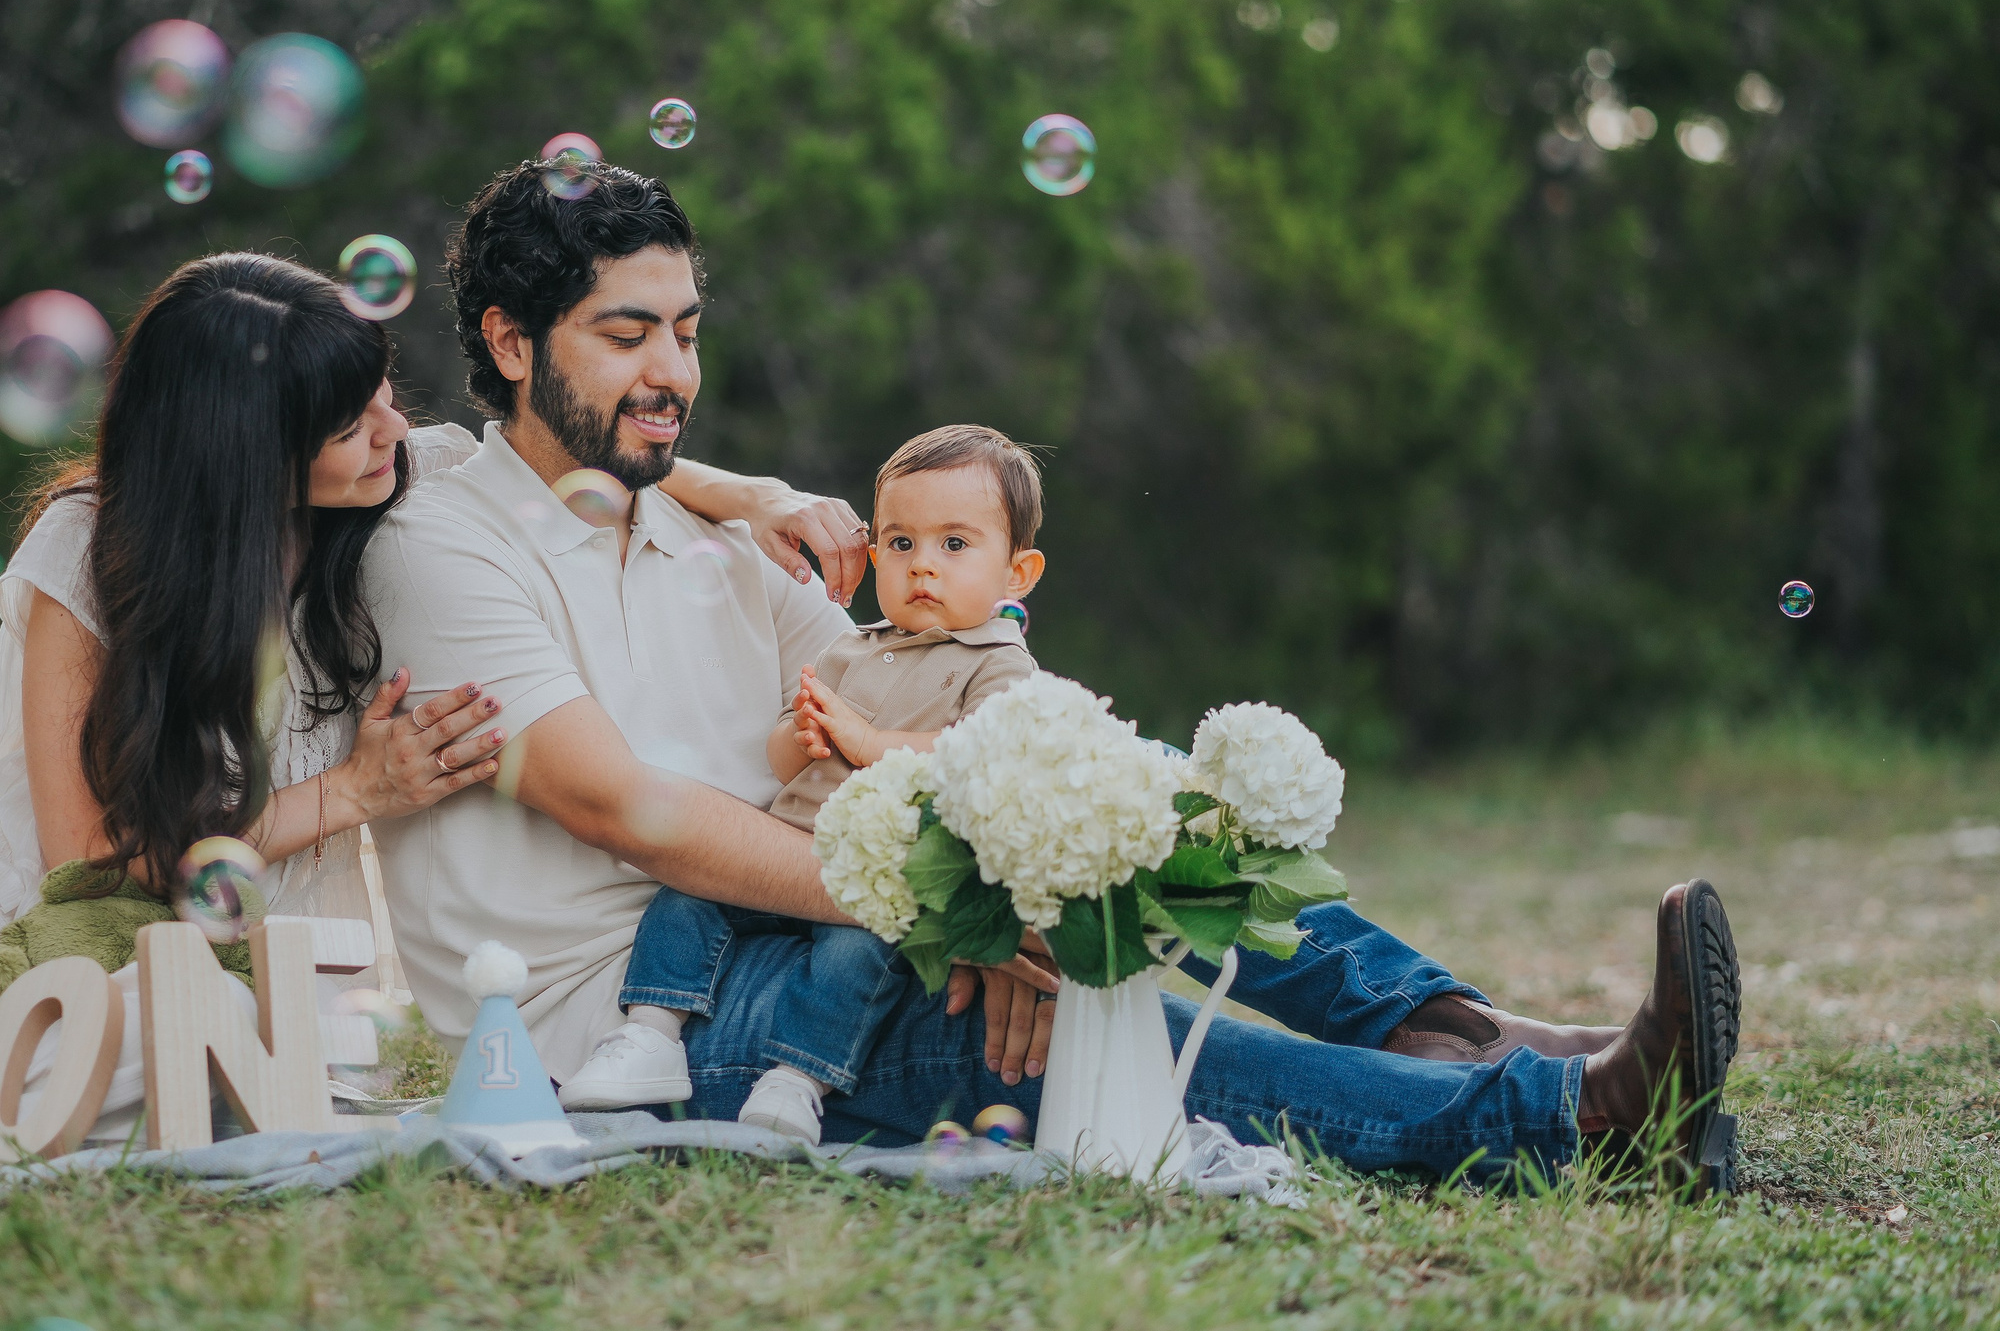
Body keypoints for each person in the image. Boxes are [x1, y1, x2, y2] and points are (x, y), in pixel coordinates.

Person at [362, 158, 1741, 1186]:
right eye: (626, 334)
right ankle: (1575, 1126)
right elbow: (630, 811)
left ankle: (1492, 1036)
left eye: (687, 329)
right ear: (506, 340)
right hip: (634, 1017)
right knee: (1085, 1032)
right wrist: (960, 916)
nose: (673, 372)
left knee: (1129, 822)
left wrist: (1051, 855)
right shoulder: (436, 535)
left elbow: (938, 694)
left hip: (813, 921)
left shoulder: (707, 535)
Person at [0, 252, 875, 1141]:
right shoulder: (91, 551)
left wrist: (747, 492)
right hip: (37, 903)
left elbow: (549, 454)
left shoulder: (394, 484)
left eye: (385, 402)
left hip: (237, 945)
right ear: (249, 454)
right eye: (351, 424)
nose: (395, 436)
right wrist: (359, 790)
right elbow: (82, 863)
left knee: (126, 1078)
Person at [558, 424, 1049, 1145]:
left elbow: (983, 757)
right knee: (691, 892)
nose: (923, 567)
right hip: (788, 844)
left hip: (882, 874)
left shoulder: (1000, 662)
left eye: (955, 544)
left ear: (1017, 573)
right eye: (901, 543)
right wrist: (803, 735)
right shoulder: (857, 642)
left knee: (855, 961)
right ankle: (651, 1030)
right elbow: (787, 750)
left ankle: (799, 1079)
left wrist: (872, 744)